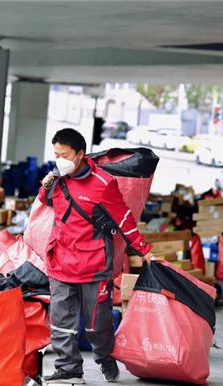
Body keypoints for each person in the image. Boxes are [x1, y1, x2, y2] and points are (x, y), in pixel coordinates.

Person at [39, 128, 154, 384]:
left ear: (80, 154)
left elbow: (124, 218)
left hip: (93, 265)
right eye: (56, 154)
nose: (59, 159)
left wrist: (143, 249)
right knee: (61, 322)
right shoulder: (58, 178)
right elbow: (47, 202)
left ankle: (104, 357)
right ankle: (69, 369)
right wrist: (45, 185)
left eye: (65, 154)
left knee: (97, 324)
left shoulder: (103, 183)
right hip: (60, 262)